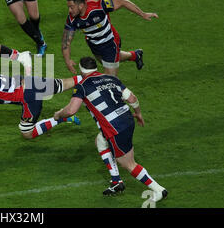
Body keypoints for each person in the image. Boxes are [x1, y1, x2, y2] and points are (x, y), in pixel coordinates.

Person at [54, 57, 168, 201]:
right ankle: (116, 182)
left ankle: (158, 190)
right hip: (127, 119)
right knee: (100, 141)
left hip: (114, 127)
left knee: (128, 164)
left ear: (82, 71)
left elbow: (71, 110)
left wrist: (58, 114)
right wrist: (138, 113)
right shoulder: (110, 78)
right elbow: (132, 98)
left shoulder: (82, 86)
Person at [62, 0, 158, 77]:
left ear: (81, 5)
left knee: (110, 80)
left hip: (110, 42)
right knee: (109, 61)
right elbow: (66, 42)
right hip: (94, 44)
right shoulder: (72, 19)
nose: (69, 10)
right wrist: (67, 61)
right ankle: (135, 55)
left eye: (71, 7)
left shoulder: (99, 7)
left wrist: (143, 14)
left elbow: (122, 2)